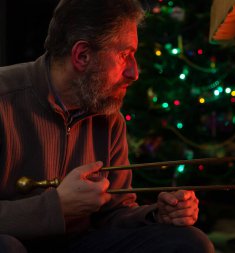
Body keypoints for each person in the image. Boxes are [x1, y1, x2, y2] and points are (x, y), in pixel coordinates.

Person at [0, 0, 215, 252]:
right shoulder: (5, 98)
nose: (135, 72)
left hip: (78, 245)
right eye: (125, 55)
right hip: (13, 243)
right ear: (82, 55)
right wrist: (55, 207)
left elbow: (114, 213)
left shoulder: (108, 116)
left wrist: (157, 216)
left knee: (188, 242)